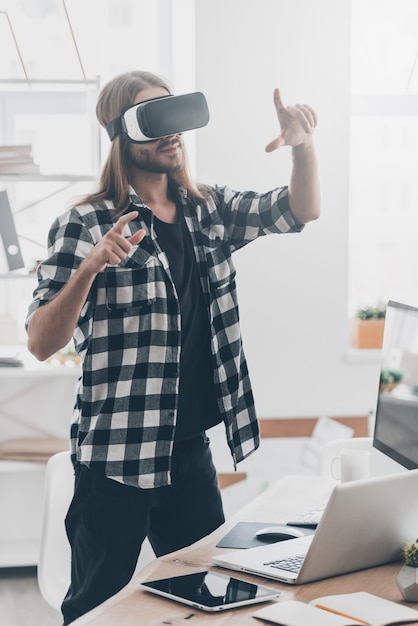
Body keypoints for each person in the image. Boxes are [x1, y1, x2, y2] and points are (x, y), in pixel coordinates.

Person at [26, 70, 320, 624]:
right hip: (115, 461)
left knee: (208, 604)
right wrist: (90, 266)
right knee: (96, 610)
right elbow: (42, 341)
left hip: (189, 453)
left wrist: (303, 148)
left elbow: (300, 209)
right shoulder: (84, 223)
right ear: (121, 134)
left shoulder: (207, 210)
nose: (173, 132)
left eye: (176, 114)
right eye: (154, 119)